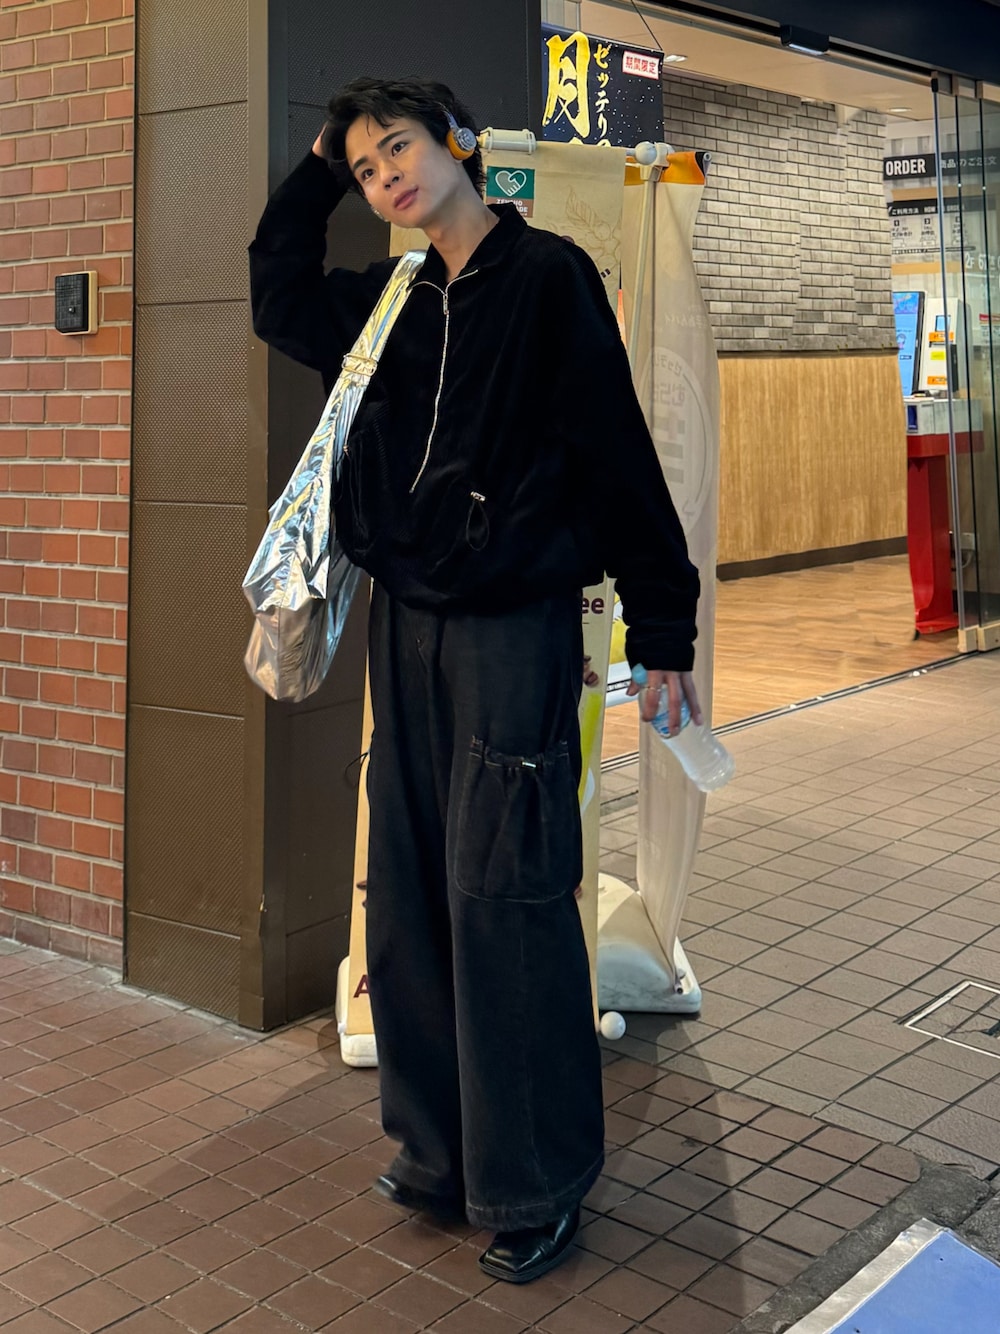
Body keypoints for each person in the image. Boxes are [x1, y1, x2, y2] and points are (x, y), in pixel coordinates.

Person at [249, 76, 701, 1285]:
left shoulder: (547, 278)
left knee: (506, 894)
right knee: (407, 892)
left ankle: (535, 1178)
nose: (386, 176)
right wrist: (314, 166)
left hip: (513, 627)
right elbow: (277, 292)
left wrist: (664, 622)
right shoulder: (391, 299)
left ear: (456, 144)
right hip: (407, 622)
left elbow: (615, 447)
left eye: (398, 147)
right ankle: (439, 1149)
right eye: (365, 168)